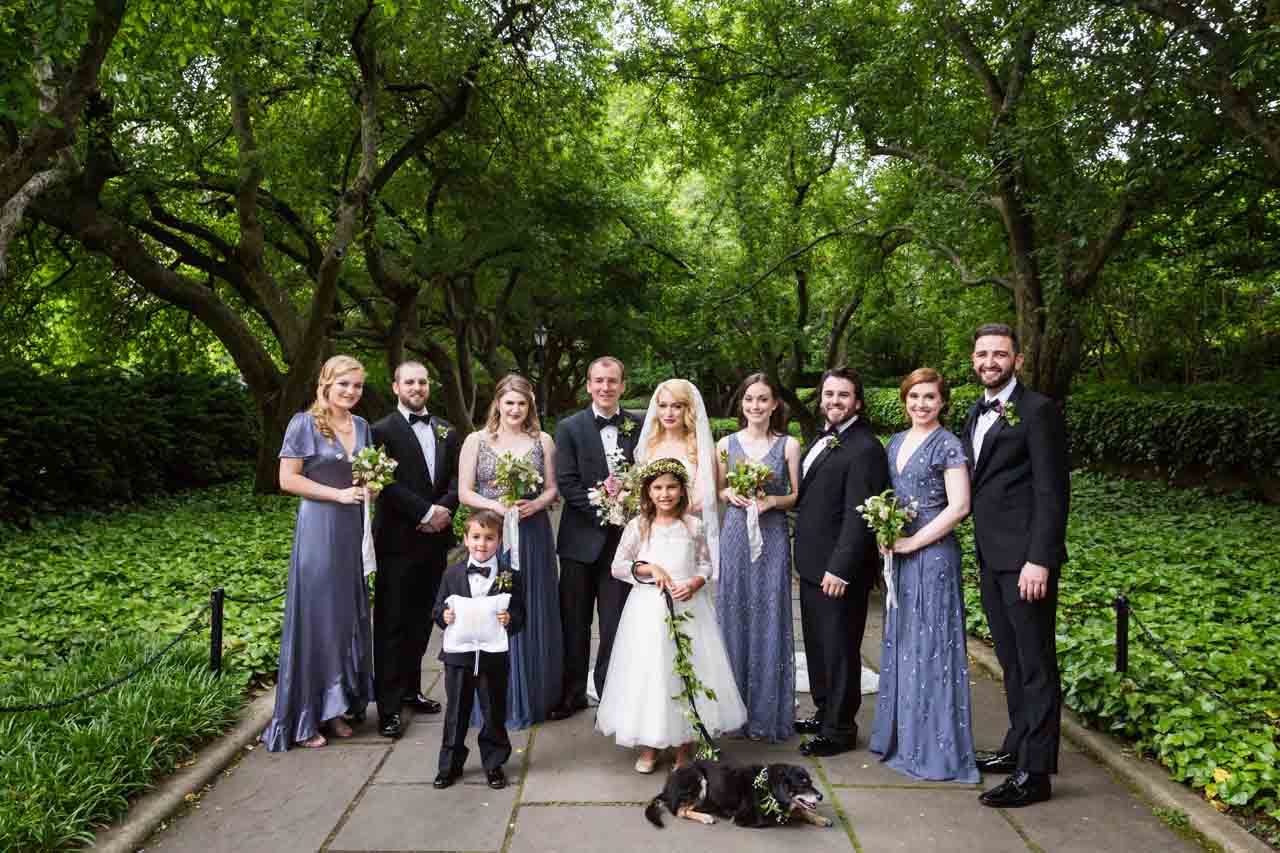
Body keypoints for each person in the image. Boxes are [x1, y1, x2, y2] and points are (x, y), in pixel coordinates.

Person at [961, 323, 1070, 808]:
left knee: (1036, 665)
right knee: (1010, 660)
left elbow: (1052, 491)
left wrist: (1039, 560)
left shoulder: (1038, 410)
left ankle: (1036, 773)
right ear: (973, 360)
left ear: (1017, 360)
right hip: (991, 558)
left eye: (1000, 354)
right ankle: (1016, 746)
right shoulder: (974, 412)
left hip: (1026, 562)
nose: (990, 361)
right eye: (983, 354)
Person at [596, 460, 747, 773]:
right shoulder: (638, 526)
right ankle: (650, 744)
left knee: (687, 672)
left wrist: (695, 582)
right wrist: (650, 568)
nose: (665, 494)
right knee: (652, 673)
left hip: (689, 609)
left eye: (671, 487)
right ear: (648, 492)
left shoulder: (693, 526)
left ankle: (684, 747)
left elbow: (706, 565)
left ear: (681, 491)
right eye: (658, 488)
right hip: (648, 610)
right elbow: (619, 566)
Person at [869, 368, 979, 782]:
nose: (921, 404)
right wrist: (887, 532)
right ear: (904, 400)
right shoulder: (895, 441)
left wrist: (914, 543)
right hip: (901, 553)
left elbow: (960, 506)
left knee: (931, 645)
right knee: (904, 642)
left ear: (942, 402)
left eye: (929, 398)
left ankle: (934, 748)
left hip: (933, 558)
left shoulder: (949, 445)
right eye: (914, 397)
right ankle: (902, 736)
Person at [262, 355, 375, 751]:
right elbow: (287, 479)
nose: (351, 392)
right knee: (318, 619)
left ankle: (335, 707)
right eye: (344, 384)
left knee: (344, 618)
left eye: (357, 386)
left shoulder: (361, 426)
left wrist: (368, 488)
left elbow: (362, 474)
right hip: (319, 529)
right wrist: (339, 494)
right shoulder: (303, 424)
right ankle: (306, 715)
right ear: (325, 383)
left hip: (351, 530)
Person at [792, 366, 889, 757]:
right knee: (817, 644)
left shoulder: (865, 449)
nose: (834, 401)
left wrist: (841, 567)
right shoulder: (826, 439)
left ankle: (840, 728)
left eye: (843, 395)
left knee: (840, 647)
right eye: (829, 394)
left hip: (838, 569)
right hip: (814, 564)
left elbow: (860, 514)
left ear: (858, 402)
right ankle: (823, 711)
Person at [458, 373, 563, 729]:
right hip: (491, 534)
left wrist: (534, 505)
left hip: (532, 533)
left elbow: (552, 489)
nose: (515, 409)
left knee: (529, 604)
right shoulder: (476, 440)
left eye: (522, 403)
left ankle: (534, 692)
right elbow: (464, 492)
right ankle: (490, 696)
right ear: (498, 404)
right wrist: (497, 508)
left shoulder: (542, 441)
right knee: (491, 605)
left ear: (529, 406)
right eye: (509, 403)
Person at [548, 356, 643, 721]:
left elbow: (644, 475)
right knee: (574, 621)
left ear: (622, 385)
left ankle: (610, 692)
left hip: (622, 545)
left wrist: (626, 508)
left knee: (615, 622)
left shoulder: (638, 425)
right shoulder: (569, 427)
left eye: (613, 381)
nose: (605, 387)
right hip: (577, 542)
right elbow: (568, 483)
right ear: (588, 385)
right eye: (599, 381)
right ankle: (571, 693)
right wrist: (606, 509)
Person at [370, 362, 461, 739]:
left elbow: (459, 476)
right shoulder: (379, 431)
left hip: (436, 539)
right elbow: (382, 482)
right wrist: (422, 511)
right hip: (397, 539)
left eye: (422, 381)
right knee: (392, 623)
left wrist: (444, 510)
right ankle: (388, 708)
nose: (417, 387)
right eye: (409, 381)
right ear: (396, 387)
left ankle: (411, 689)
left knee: (425, 619)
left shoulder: (446, 430)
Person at [715, 372, 802, 742]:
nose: (756, 406)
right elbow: (718, 488)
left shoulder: (788, 445)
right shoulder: (725, 443)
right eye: (750, 399)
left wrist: (772, 501)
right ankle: (732, 711)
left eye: (763, 399)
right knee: (732, 612)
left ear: (774, 404)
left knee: (770, 614)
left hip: (772, 535)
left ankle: (768, 711)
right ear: (741, 404)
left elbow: (796, 495)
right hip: (735, 533)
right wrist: (728, 494)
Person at [432, 509, 526, 791]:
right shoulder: (452, 573)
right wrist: (443, 616)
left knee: (493, 709)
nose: (481, 544)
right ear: (465, 538)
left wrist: (511, 620)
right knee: (456, 711)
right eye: (475, 537)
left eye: (489, 538)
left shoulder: (510, 575)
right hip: (458, 657)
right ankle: (449, 765)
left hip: (493, 656)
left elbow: (521, 613)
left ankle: (494, 763)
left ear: (499, 540)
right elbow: (437, 608)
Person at [634, 378, 720, 578]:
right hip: (650, 535)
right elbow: (639, 489)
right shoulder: (649, 446)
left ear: (687, 409)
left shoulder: (700, 448)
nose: (668, 413)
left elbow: (703, 495)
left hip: (685, 533)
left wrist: (666, 516)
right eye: (663, 406)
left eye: (677, 406)